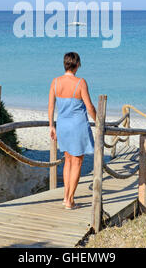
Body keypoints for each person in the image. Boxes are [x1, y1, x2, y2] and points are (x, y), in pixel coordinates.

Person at [48, 52, 97, 210]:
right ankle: (70, 200)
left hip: (62, 125)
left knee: (67, 161)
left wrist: (51, 126)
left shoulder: (55, 82)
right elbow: (89, 107)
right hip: (77, 126)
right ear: (77, 65)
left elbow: (51, 106)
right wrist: (99, 121)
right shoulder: (80, 82)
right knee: (77, 162)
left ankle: (65, 197)